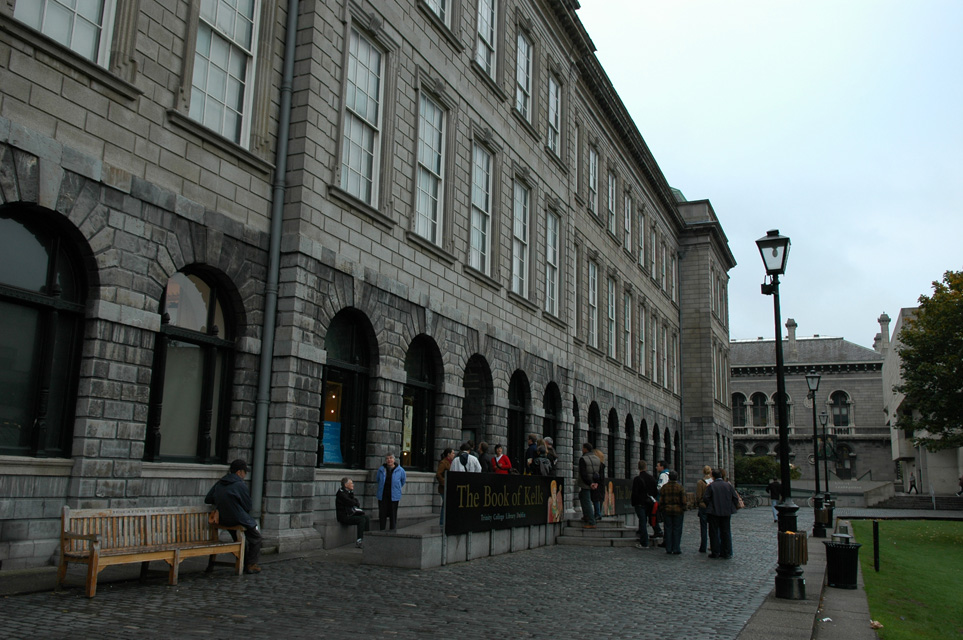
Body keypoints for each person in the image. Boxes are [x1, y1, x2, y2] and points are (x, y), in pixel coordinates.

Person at [205, 459, 262, 574]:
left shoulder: (220, 483)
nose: (245, 475)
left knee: (238, 539)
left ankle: (245, 562)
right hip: (238, 518)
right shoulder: (240, 485)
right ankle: (251, 564)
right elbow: (248, 505)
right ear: (239, 472)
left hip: (223, 519)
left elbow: (208, 499)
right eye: (244, 472)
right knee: (256, 538)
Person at [704, 468, 740, 559]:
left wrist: (711, 505)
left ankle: (715, 552)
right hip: (726, 512)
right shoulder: (728, 485)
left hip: (714, 512)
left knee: (714, 532)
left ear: (713, 476)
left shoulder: (711, 486)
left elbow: (706, 498)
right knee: (726, 532)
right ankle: (726, 552)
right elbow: (735, 498)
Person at [335, 477, 370, 548]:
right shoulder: (341, 494)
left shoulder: (349, 492)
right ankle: (359, 540)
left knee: (366, 517)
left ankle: (367, 538)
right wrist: (355, 502)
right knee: (361, 519)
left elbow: (356, 502)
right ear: (346, 485)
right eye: (351, 483)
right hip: (344, 516)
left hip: (350, 513)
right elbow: (351, 502)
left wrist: (354, 501)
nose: (353, 485)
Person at [376, 453, 406, 531]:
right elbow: (378, 480)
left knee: (393, 513)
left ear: (394, 460)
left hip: (394, 495)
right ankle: (382, 529)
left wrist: (397, 488)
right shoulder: (381, 469)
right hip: (383, 494)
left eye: (390, 458)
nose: (389, 460)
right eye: (387, 458)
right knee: (382, 513)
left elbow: (403, 481)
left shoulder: (400, 470)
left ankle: (392, 530)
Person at [631, 460, 657, 549]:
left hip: (640, 503)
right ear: (646, 467)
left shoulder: (637, 479)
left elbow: (634, 493)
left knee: (642, 521)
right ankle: (646, 537)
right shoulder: (651, 478)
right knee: (646, 520)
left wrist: (634, 503)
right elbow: (655, 491)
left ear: (638, 468)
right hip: (649, 503)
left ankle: (644, 542)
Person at [660, 470, 686, 554]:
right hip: (678, 511)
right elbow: (684, 500)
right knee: (677, 529)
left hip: (667, 510)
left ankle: (668, 547)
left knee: (668, 529)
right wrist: (683, 508)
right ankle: (676, 548)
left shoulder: (664, 487)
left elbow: (661, 500)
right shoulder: (680, 487)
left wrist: (662, 508)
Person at [577, 442, 601, 528]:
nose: (582, 449)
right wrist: (595, 483)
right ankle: (586, 515)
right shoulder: (597, 459)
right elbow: (599, 473)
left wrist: (590, 483)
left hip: (586, 483)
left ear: (586, 449)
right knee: (581, 496)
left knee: (587, 501)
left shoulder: (583, 459)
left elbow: (583, 473)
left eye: (583, 448)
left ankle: (591, 521)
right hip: (594, 483)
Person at [695, 465, 714, 553]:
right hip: (711, 506)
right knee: (713, 527)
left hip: (703, 506)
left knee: (703, 528)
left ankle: (703, 546)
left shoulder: (700, 482)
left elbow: (698, 496)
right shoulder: (713, 482)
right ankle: (713, 545)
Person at [436, 448, 455, 525]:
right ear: (448, 454)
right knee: (445, 505)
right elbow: (438, 474)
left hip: (449, 487)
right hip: (444, 488)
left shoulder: (452, 462)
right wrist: (444, 482)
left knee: (447, 504)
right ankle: (442, 522)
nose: (454, 455)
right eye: (452, 453)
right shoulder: (443, 463)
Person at [653, 460, 669, 541]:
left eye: (658, 466)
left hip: (661, 499)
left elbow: (660, 487)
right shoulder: (668, 473)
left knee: (655, 516)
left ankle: (659, 532)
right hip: (667, 500)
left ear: (662, 467)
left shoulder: (663, 475)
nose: (656, 467)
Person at [592, 448, 606, 520]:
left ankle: (597, 514)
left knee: (596, 499)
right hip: (601, 486)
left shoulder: (598, 466)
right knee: (599, 500)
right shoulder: (602, 466)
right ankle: (598, 513)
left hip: (598, 486)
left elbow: (598, 477)